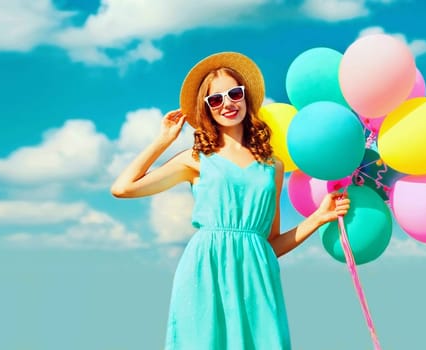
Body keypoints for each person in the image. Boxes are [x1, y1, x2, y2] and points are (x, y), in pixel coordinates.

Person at [110, 52, 350, 350]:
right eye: (216, 99)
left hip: (257, 277)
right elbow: (123, 188)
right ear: (207, 108)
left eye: (234, 93)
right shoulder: (197, 159)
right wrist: (163, 141)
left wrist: (319, 217)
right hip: (205, 271)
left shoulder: (272, 166)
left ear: (246, 98)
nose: (227, 103)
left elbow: (270, 245)